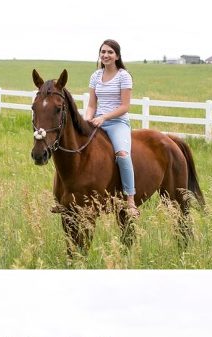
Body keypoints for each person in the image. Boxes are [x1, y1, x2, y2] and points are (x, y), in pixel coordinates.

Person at [84, 39, 139, 216]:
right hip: (97, 121)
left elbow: (125, 106)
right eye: (103, 52)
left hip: (117, 123)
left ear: (117, 56)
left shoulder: (124, 76)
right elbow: (92, 104)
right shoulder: (95, 76)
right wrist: (87, 119)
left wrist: (104, 117)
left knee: (122, 155)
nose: (106, 55)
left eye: (110, 52)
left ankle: (130, 199)